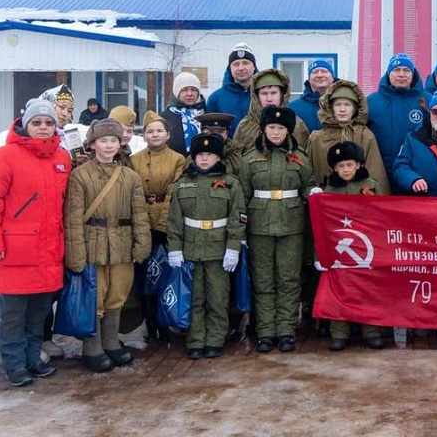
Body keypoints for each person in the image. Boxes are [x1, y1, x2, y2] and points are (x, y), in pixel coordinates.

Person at [0, 99, 71, 387]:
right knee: (14, 315)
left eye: (49, 122)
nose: (43, 127)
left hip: (49, 251)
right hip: (14, 251)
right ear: (25, 125)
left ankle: (33, 358)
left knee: (39, 313)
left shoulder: (62, 157)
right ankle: (14, 364)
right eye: (36, 122)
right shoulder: (5, 156)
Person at [64, 118, 151, 372]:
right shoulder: (80, 176)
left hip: (122, 243)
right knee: (96, 296)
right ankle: (92, 347)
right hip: (93, 242)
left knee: (117, 294)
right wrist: (76, 254)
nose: (109, 145)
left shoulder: (130, 177)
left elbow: (139, 214)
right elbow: (73, 218)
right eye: (103, 140)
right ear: (92, 144)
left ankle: (111, 342)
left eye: (114, 140)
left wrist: (141, 244)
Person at [239, 106, 317, 354]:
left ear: (288, 131)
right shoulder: (250, 159)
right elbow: (242, 195)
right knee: (263, 281)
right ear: (264, 129)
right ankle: (265, 332)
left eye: (281, 128)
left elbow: (307, 185)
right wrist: (240, 231)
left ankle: (286, 331)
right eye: (271, 127)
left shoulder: (300, 158)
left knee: (288, 280)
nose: (276, 132)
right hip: (259, 227)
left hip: (291, 227)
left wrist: (314, 193)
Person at [167, 134, 247, 360]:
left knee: (218, 298)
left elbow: (238, 218)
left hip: (218, 250)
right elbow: (174, 220)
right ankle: (195, 340)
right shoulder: (183, 184)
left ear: (218, 157)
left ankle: (215, 340)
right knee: (195, 298)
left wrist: (233, 248)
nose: (204, 159)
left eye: (209, 154)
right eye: (200, 154)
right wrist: (175, 249)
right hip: (191, 249)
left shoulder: (231, 183)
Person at [317, 141, 387, 351]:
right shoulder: (329, 190)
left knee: (368, 289)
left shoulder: (371, 185)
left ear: (358, 164)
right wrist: (319, 254)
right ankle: (339, 332)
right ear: (334, 168)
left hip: (367, 247)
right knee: (340, 290)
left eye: (349, 164)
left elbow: (384, 214)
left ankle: (371, 330)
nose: (346, 169)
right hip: (339, 249)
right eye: (341, 166)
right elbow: (321, 224)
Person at [129, 110, 186, 344]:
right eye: (150, 131)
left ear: (168, 134)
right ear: (144, 135)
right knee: (144, 277)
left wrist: (162, 224)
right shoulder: (135, 160)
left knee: (164, 275)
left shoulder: (178, 159)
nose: (155, 135)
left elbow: (174, 191)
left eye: (159, 131)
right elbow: (133, 192)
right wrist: (142, 222)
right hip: (142, 221)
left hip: (166, 223)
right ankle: (150, 323)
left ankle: (166, 322)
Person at [307, 80, 390, 191]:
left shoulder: (365, 136)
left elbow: (375, 171)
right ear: (330, 107)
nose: (342, 109)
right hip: (326, 195)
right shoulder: (317, 138)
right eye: (338, 105)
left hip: (359, 197)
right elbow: (308, 174)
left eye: (347, 105)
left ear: (355, 108)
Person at [367, 53, 427, 183]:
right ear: (388, 74)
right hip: (380, 174)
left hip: (418, 177)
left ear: (413, 74)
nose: (401, 74)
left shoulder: (427, 100)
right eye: (396, 70)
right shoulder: (371, 102)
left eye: (406, 70)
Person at [232, 69, 311, 160]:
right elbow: (236, 159)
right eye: (264, 94)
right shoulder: (245, 125)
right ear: (256, 96)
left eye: (273, 93)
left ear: (282, 95)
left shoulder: (296, 124)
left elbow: (304, 158)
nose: (269, 99)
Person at [205, 43, 258, 137]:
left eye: (245, 63)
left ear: (254, 67)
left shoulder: (264, 95)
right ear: (230, 68)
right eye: (236, 64)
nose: (241, 68)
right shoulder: (216, 98)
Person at [163, 72, 206, 155]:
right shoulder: (165, 117)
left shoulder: (207, 115)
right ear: (177, 92)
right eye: (184, 90)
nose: (189, 94)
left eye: (193, 90)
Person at [289, 59, 335, 133]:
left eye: (324, 71)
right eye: (315, 72)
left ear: (333, 77)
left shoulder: (343, 103)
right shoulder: (293, 108)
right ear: (309, 79)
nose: (319, 75)